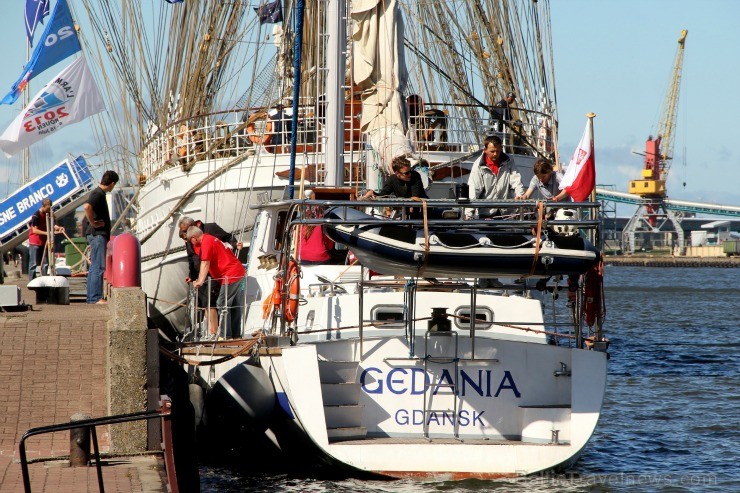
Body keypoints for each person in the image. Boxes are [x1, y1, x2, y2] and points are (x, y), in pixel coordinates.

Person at [178, 216, 243, 336]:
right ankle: (235, 334)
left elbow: (205, 262)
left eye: (189, 240)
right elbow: (194, 260)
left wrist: (200, 281)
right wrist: (193, 277)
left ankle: (224, 336)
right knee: (233, 305)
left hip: (231, 274)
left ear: (193, 237)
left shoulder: (206, 242)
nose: (189, 243)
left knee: (221, 303)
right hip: (232, 273)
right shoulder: (208, 239)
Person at [465, 135, 525, 219]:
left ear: (501, 148)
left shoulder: (508, 161)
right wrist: (469, 214)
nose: (495, 154)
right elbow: (474, 189)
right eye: (492, 151)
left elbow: (516, 181)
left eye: (497, 151)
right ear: (485, 150)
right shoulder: (478, 165)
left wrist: (520, 195)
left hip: (506, 212)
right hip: (486, 213)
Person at [84, 170, 119, 304]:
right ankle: (95, 298)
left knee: (95, 266)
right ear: (112, 183)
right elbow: (87, 207)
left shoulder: (99, 193)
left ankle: (92, 297)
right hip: (97, 235)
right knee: (98, 267)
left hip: (98, 235)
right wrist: (93, 223)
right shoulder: (98, 193)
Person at [361, 155, 428, 200]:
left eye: (410, 171)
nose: (410, 174)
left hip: (422, 210)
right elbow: (383, 195)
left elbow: (415, 197)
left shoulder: (415, 176)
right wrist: (372, 193)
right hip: (406, 211)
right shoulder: (392, 179)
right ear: (397, 173)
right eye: (406, 173)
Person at [28, 198, 63, 281]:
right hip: (35, 241)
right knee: (34, 263)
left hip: (45, 241)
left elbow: (51, 224)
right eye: (47, 208)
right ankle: (31, 280)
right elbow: (35, 230)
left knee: (45, 262)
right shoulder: (36, 215)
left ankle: (44, 279)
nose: (48, 210)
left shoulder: (49, 214)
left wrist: (58, 228)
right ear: (43, 206)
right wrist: (47, 233)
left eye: (50, 208)